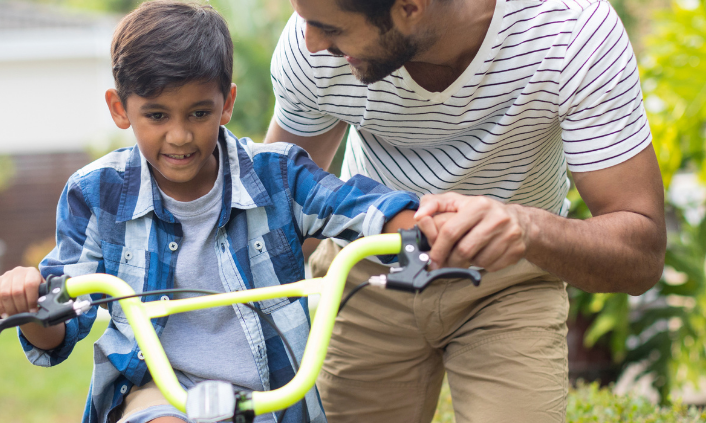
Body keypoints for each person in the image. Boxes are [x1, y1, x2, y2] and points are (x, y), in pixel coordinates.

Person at [0, 2, 429, 423]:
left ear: (227, 103)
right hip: (160, 393)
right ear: (120, 109)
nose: (180, 135)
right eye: (157, 115)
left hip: (272, 396)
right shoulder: (96, 194)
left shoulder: (278, 175)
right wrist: (28, 303)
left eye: (199, 113)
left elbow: (357, 206)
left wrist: (421, 230)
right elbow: (60, 329)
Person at [265, 0, 667, 422]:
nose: (311, 42)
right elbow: (273, 212)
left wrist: (528, 227)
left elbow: (641, 253)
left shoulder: (573, 31)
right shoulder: (314, 43)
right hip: (369, 269)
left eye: (332, 29)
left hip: (510, 280)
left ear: (410, 7)